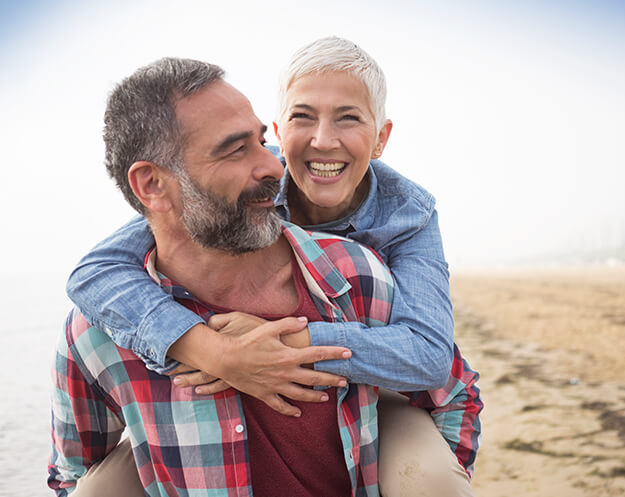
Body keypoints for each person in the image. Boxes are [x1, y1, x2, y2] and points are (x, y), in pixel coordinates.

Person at [65, 38, 482, 494]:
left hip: (376, 377)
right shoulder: (248, 188)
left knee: (429, 476)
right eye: (304, 117)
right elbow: (97, 271)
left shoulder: (406, 218)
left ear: (381, 137)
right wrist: (214, 351)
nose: (323, 140)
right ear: (281, 132)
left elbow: (430, 359)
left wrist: (289, 342)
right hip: (206, 401)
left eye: (349, 117)